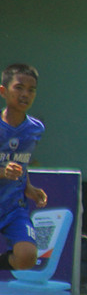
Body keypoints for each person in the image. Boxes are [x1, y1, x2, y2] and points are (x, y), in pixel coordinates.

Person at [0, 64, 48, 272]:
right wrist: (3, 172)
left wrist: (28, 187)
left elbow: (22, 162)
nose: (25, 94)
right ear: (3, 91)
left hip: (13, 206)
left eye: (31, 90)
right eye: (19, 88)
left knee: (27, 257)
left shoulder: (35, 129)